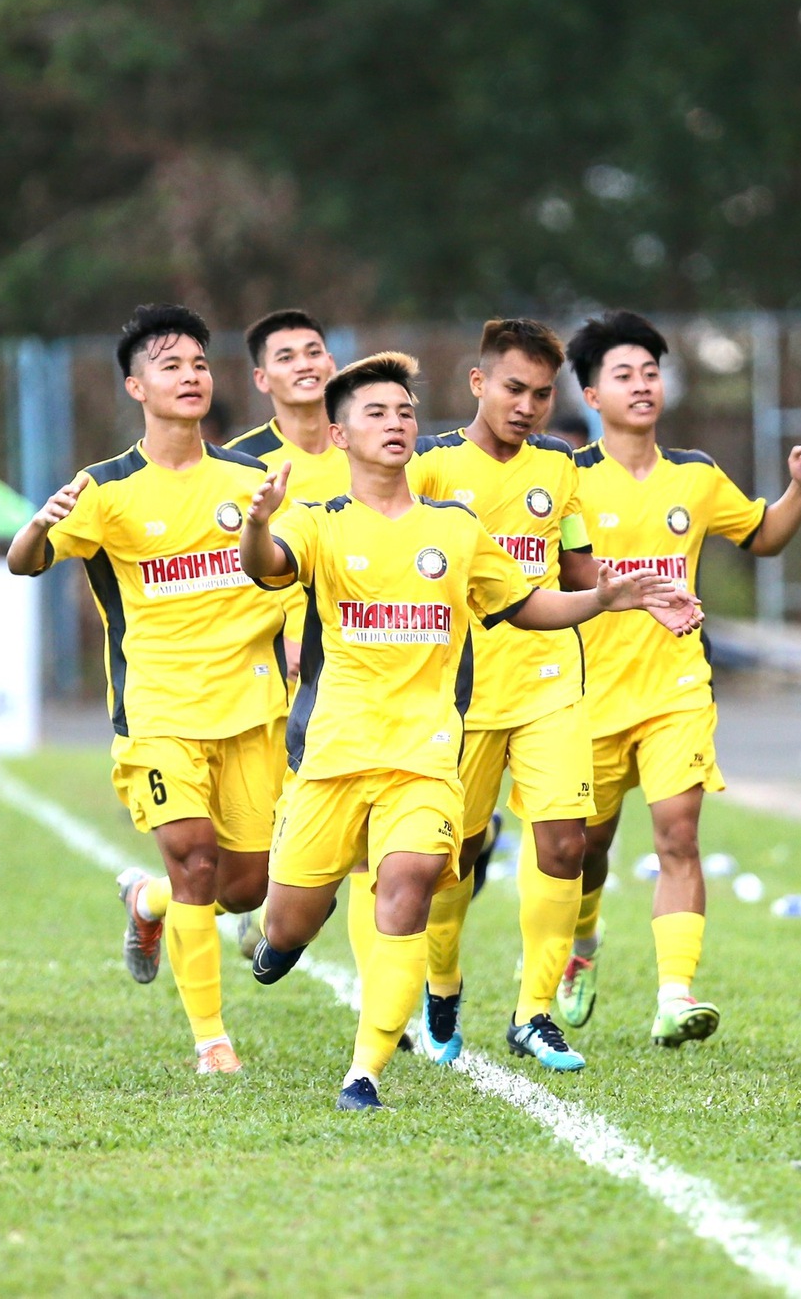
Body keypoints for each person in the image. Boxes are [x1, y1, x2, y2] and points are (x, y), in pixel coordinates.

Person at [237, 351, 695, 1111]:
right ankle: (280, 940)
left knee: (410, 884)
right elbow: (268, 566)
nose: (395, 423)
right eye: (375, 413)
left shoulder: (453, 528)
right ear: (341, 436)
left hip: (424, 755)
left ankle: (366, 1070)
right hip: (338, 755)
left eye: (405, 412)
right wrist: (256, 523)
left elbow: (528, 605)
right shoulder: (317, 522)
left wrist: (611, 597)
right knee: (288, 921)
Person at [6, 303, 286, 1076]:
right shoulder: (105, 488)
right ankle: (212, 1041)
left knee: (241, 887)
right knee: (195, 858)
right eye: (171, 365)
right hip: (160, 712)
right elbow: (24, 562)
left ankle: (147, 902)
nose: (191, 375)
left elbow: (289, 576)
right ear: (136, 386)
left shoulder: (252, 481)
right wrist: (39, 524)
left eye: (199, 363)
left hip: (252, 706)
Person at [563, 311, 801, 1047]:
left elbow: (764, 536)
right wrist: (626, 587)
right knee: (585, 847)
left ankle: (674, 996)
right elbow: (564, 569)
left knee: (678, 836)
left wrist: (799, 491)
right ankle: (580, 944)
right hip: (589, 693)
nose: (642, 385)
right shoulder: (567, 479)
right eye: (624, 375)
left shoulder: (697, 473)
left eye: (651, 372)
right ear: (592, 394)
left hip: (676, 688)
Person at [404, 319, 616, 1071]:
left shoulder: (561, 467)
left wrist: (637, 593)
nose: (527, 405)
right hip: (457, 694)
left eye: (541, 393)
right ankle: (442, 983)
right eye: (513, 388)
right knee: (446, 859)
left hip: (549, 681)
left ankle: (534, 1013)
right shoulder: (428, 465)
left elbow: (581, 570)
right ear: (478, 383)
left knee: (566, 841)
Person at [221, 309, 354, 959]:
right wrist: (286, 636)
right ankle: (163, 898)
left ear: (332, 364)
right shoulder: (242, 463)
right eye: (288, 355)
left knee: (361, 839)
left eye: (315, 350)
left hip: (358, 671)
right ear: (261, 377)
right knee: (250, 872)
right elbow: (233, 568)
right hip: (271, 675)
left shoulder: (367, 444)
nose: (305, 363)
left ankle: (389, 1007)